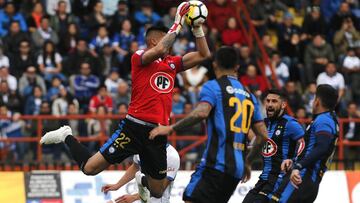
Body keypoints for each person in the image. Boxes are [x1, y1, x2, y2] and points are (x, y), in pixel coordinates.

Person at [40, 2, 210, 198]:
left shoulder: (172, 64)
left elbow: (204, 55)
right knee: (89, 168)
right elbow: (161, 49)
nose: (170, 44)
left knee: (156, 191)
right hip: (134, 127)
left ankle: (141, 180)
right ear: (154, 42)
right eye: (165, 40)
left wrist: (197, 28)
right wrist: (177, 24)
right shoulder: (139, 57)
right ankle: (66, 136)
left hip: (158, 133)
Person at [149, 46, 267, 203]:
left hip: (215, 164)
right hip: (236, 169)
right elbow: (263, 135)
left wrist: (171, 128)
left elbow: (201, 113)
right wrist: (247, 162)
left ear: (215, 64)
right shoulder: (249, 96)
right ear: (237, 67)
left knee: (191, 199)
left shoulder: (213, 87)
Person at [269, 84, 339, 202]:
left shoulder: (324, 120)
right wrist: (294, 160)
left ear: (317, 101)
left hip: (302, 176)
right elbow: (312, 147)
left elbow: (322, 147)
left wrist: (298, 166)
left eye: (314, 98)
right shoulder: (329, 119)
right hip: (307, 179)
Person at [242, 89, 304, 203]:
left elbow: (305, 144)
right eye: (268, 101)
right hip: (263, 178)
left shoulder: (290, 124)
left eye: (274, 101)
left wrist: (293, 161)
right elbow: (263, 146)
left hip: (279, 180)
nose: (270, 104)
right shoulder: (264, 124)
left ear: (283, 105)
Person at [102, 144, 180, 203]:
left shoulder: (172, 156)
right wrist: (117, 185)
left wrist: (133, 197)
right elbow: (135, 167)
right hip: (137, 197)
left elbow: (160, 190)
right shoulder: (141, 148)